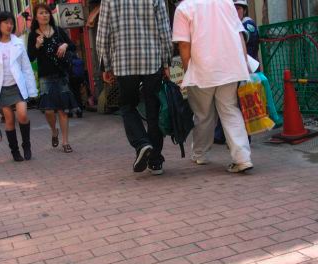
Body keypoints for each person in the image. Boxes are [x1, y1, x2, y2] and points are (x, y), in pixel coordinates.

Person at [173, 0, 253, 173]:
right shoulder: (225, 3)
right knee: (230, 109)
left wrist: (188, 71)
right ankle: (242, 158)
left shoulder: (184, 8)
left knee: (203, 114)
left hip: (202, 69)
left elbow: (184, 44)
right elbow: (239, 34)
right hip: (230, 66)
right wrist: (244, 63)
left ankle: (200, 154)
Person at [96, 0, 172, 175]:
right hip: (152, 60)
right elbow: (164, 29)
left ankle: (142, 143)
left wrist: (105, 65)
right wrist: (167, 61)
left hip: (124, 63)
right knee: (154, 108)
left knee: (128, 106)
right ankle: (155, 162)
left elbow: (102, 34)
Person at [0, 12, 38, 162]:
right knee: (9, 120)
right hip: (1, 88)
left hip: (17, 86)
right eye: (6, 23)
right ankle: (14, 151)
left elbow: (26, 67)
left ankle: (26, 145)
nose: (9, 26)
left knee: (22, 115)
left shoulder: (19, 42)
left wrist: (32, 90)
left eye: (11, 23)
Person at [28, 3, 79, 154]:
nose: (45, 15)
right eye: (41, 13)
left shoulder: (58, 31)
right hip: (45, 76)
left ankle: (65, 142)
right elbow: (30, 57)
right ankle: (54, 130)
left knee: (63, 110)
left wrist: (64, 45)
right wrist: (37, 45)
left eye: (47, 13)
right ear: (36, 17)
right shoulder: (33, 35)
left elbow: (72, 46)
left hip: (61, 74)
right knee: (49, 111)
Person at [215, 0, 260, 144]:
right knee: (229, 105)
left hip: (247, 72)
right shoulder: (231, 24)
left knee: (243, 106)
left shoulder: (248, 24)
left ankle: (244, 138)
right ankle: (222, 135)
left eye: (239, 8)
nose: (235, 11)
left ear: (245, 10)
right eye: (233, 8)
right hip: (235, 71)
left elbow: (242, 39)